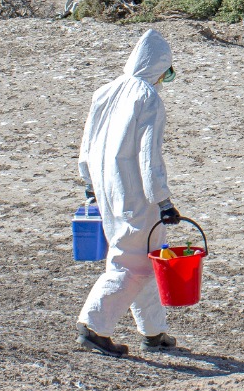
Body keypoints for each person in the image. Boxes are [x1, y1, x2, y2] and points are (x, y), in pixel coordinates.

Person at [76, 28, 184, 357]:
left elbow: (86, 146)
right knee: (132, 263)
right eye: (166, 72)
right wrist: (162, 199)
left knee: (144, 256)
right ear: (158, 67)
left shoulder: (105, 91)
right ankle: (94, 325)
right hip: (135, 191)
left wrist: (90, 185)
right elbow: (149, 156)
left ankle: (153, 332)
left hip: (105, 186)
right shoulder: (147, 98)